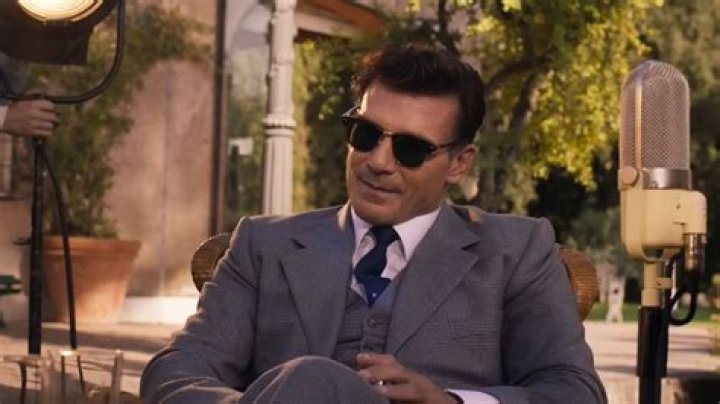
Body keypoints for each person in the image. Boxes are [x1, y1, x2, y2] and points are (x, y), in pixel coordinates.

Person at [141, 43, 606, 404]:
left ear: (460, 163)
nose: (379, 162)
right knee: (310, 380)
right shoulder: (264, 244)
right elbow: (174, 373)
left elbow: (574, 392)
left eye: (410, 149)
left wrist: (450, 401)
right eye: (366, 135)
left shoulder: (517, 250)